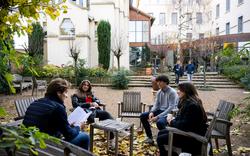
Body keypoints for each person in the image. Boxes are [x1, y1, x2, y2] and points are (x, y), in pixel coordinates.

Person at [23, 78, 90, 150]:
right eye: (65, 92)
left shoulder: (35, 103)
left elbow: (45, 124)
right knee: (85, 137)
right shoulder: (58, 107)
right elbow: (69, 135)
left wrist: (67, 126)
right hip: (47, 148)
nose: (67, 96)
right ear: (58, 93)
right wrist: (78, 126)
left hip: (29, 146)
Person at [157, 82, 208, 156]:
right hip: (190, 132)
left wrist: (171, 121)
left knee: (160, 138)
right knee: (161, 132)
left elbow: (185, 125)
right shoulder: (189, 102)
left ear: (186, 91)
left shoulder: (192, 105)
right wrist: (172, 119)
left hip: (192, 137)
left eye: (180, 90)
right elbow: (183, 119)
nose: (177, 92)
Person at [71, 80, 115, 146]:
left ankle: (112, 137)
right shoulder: (76, 94)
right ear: (81, 85)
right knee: (104, 119)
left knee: (106, 114)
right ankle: (116, 131)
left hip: (94, 111)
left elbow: (97, 100)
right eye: (84, 85)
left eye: (87, 85)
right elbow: (75, 104)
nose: (86, 86)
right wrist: (89, 104)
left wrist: (96, 102)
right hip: (85, 114)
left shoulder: (90, 94)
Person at [140, 75, 178, 144]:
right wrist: (151, 112)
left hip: (170, 113)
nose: (158, 83)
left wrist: (157, 117)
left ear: (166, 82)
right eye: (157, 82)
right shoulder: (159, 92)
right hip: (160, 110)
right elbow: (156, 104)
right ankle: (150, 137)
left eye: (160, 82)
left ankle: (166, 140)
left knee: (160, 122)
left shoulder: (172, 92)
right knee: (143, 115)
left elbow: (171, 108)